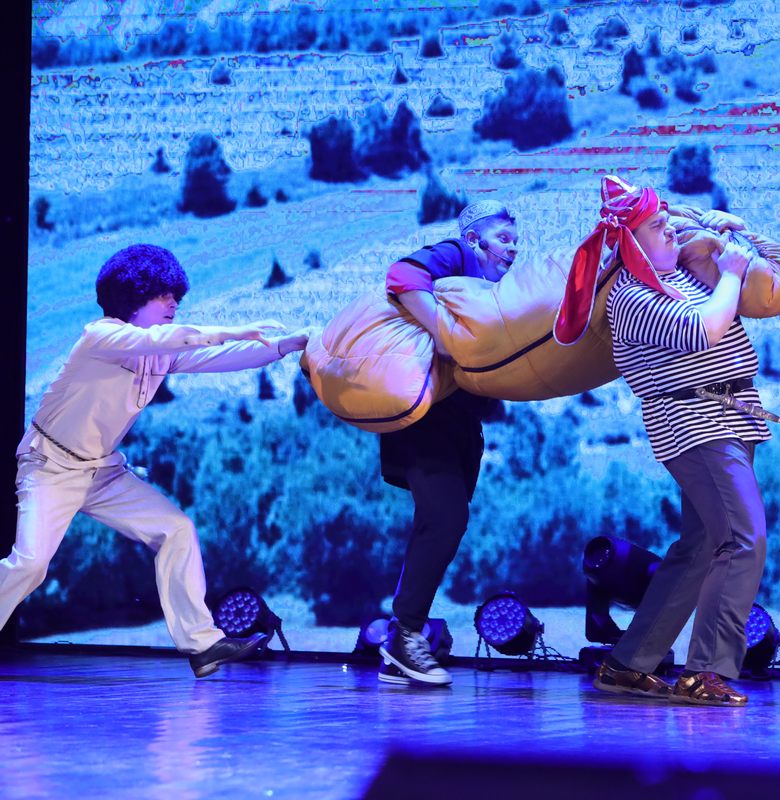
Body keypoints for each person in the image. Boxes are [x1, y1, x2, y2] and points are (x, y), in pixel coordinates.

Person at [1, 243, 308, 678]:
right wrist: (235, 329)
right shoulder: (100, 336)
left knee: (176, 529)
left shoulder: (158, 351)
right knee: (31, 564)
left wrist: (283, 346)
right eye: (162, 295)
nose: (173, 303)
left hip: (102, 472)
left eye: (174, 295)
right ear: (134, 296)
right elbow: (165, 339)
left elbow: (215, 358)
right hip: (51, 465)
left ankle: (203, 645)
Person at [555, 175, 772, 707]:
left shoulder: (680, 277)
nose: (670, 231)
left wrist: (724, 232)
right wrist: (732, 274)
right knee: (743, 538)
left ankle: (628, 664)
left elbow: (731, 278)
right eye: (657, 226)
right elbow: (705, 329)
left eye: (667, 222)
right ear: (632, 242)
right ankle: (705, 672)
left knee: (700, 547)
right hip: (697, 424)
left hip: (730, 417)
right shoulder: (632, 298)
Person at [377, 200, 518, 686]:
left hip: (461, 428)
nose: (512, 249)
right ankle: (403, 637)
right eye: (503, 238)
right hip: (424, 422)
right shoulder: (456, 255)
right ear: (475, 239)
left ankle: (400, 643)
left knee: (442, 525)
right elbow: (400, 276)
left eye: (516, 241)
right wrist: (442, 333)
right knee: (445, 518)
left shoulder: (498, 294)